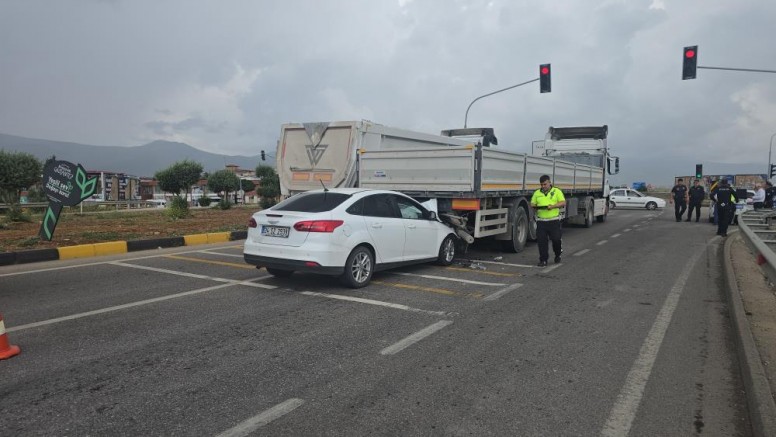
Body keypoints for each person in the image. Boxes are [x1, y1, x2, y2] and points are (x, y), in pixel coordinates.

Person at [531, 174, 566, 267]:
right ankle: (543, 260)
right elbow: (532, 203)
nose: (543, 186)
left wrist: (553, 206)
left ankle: (558, 254)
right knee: (542, 241)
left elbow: (563, 202)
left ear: (549, 183)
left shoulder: (556, 191)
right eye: (541, 184)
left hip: (553, 221)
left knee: (556, 240)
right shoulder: (537, 193)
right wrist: (535, 206)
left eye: (545, 184)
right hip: (541, 221)